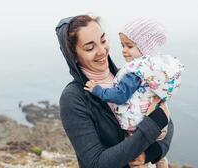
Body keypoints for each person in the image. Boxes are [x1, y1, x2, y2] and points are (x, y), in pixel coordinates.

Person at [55, 15, 173, 168]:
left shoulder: (126, 77)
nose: (102, 51)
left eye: (103, 40)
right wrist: (151, 126)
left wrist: (150, 154)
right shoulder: (73, 98)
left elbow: (166, 118)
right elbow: (96, 162)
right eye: (90, 47)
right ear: (74, 56)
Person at [84, 18, 185, 168]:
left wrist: (97, 90)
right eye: (122, 45)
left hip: (137, 126)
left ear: (146, 47)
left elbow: (120, 95)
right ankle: (161, 161)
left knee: (137, 160)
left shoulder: (135, 72)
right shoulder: (156, 67)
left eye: (129, 46)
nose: (124, 50)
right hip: (159, 127)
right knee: (154, 151)